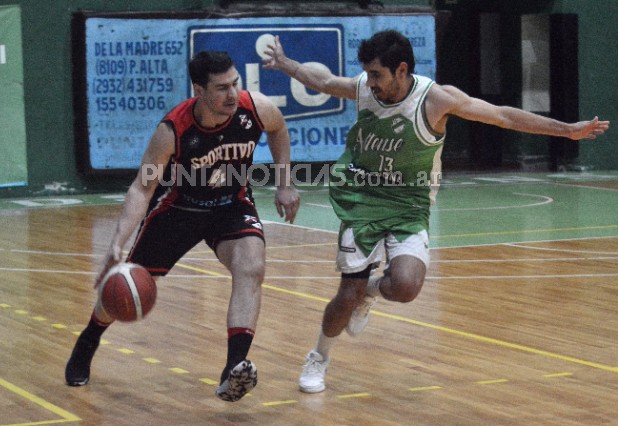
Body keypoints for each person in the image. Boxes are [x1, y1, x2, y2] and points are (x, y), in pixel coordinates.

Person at [261, 30, 610, 393]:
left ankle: (371, 294)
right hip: (362, 199)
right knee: (346, 294)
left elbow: (503, 117)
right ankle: (319, 356)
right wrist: (287, 65)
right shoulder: (368, 87)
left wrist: (566, 130)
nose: (371, 83)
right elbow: (327, 82)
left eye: (378, 75)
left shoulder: (435, 99)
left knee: (406, 287)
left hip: (410, 203)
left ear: (401, 70)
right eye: (368, 74)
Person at [65, 51, 300, 402]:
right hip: (180, 210)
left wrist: (284, 182)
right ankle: (89, 339)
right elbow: (142, 188)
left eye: (235, 84)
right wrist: (118, 242)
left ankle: (234, 369)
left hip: (231, 206)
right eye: (221, 88)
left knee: (251, 267)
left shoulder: (256, 109)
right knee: (126, 286)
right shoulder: (173, 130)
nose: (232, 94)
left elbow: (279, 130)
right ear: (198, 90)